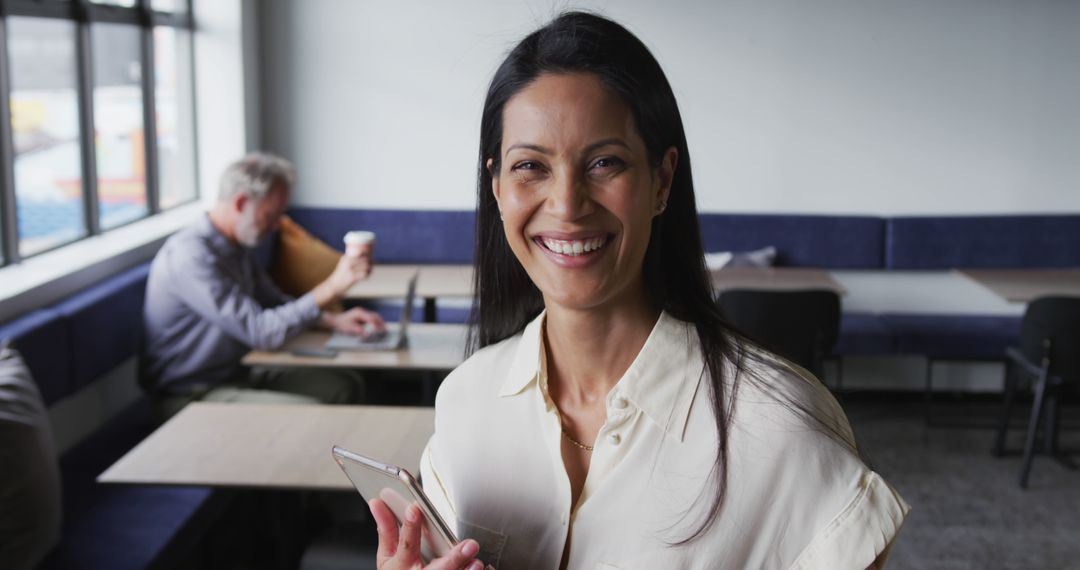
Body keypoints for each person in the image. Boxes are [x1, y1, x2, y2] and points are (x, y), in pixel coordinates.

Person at [369, 12, 908, 570]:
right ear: (498, 188)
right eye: (530, 166)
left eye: (604, 163)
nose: (567, 205)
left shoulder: (777, 423)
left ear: (662, 180)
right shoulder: (466, 398)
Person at [141, 152, 385, 419]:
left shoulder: (238, 247)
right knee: (311, 415)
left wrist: (332, 321)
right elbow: (261, 331)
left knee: (345, 385)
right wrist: (333, 287)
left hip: (239, 372)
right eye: (271, 215)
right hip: (190, 393)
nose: (276, 225)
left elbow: (273, 300)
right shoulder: (191, 257)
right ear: (241, 202)